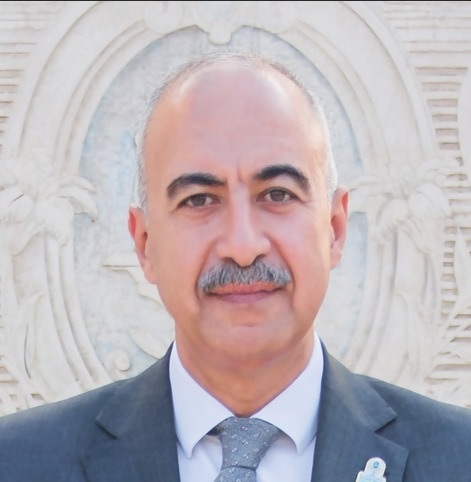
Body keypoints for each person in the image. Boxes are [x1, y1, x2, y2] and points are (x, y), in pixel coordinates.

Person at [0, 49, 470, 482]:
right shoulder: (18, 462)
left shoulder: (458, 458)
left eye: (277, 194)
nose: (243, 247)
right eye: (199, 199)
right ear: (145, 244)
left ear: (334, 228)